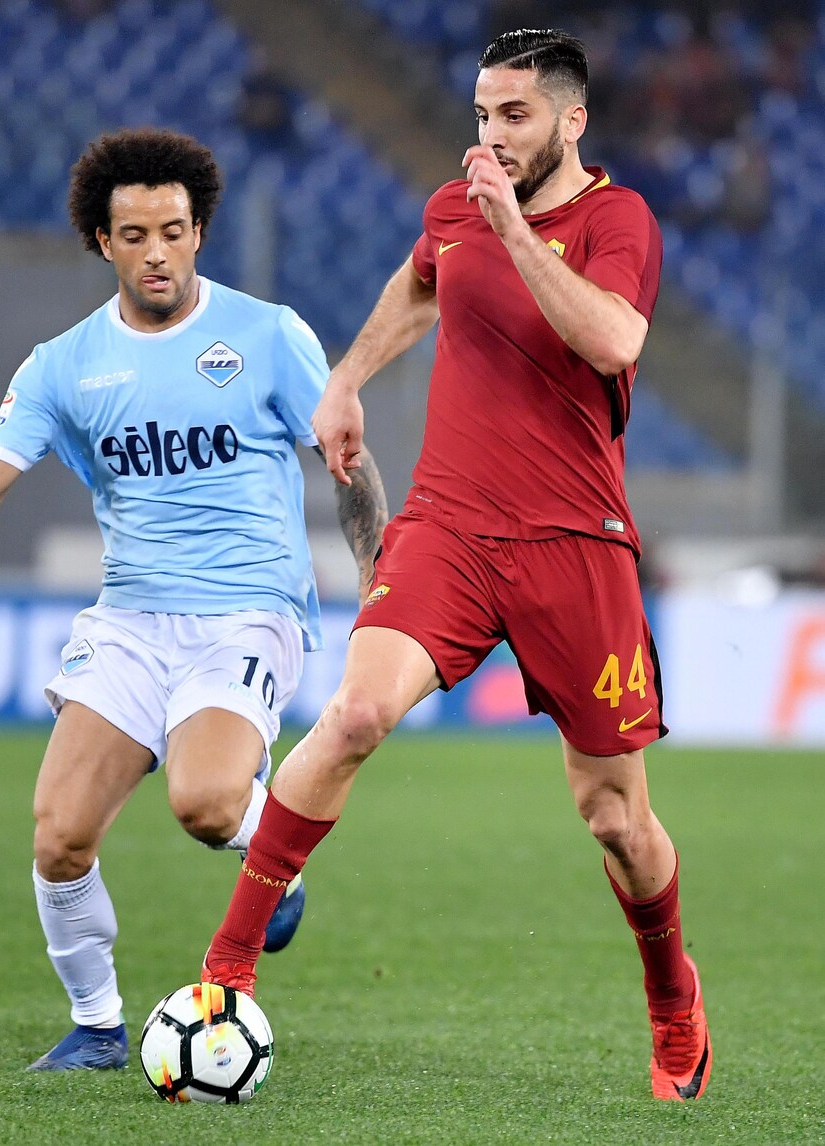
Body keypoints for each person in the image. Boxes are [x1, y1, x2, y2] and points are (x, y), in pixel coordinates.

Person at [201, 29, 711, 1103]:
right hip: (451, 525)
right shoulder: (458, 205)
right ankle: (226, 971)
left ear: (571, 120)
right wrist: (345, 381)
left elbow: (614, 342)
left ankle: (673, 998)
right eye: (482, 114)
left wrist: (514, 230)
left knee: (616, 821)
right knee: (351, 716)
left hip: (577, 542)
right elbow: (421, 280)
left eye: (514, 116)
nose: (491, 135)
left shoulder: (617, 220)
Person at [0, 127, 387, 1072]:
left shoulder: (268, 335)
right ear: (103, 241)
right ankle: (96, 1028)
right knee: (59, 838)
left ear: (199, 231)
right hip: (129, 618)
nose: (157, 252)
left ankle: (272, 859)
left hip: (247, 608)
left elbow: (348, 458)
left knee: (205, 802)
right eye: (134, 235)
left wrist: (379, 570)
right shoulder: (63, 365)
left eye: (173, 231)